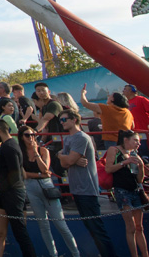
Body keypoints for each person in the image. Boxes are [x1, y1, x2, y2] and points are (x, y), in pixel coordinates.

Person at [58, 110, 116, 257]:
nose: (62, 123)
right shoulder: (69, 139)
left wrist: (65, 157)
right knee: (91, 228)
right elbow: (64, 163)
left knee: (97, 229)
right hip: (77, 188)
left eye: (64, 119)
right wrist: (63, 156)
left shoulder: (81, 137)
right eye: (60, 120)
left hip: (86, 189)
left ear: (74, 120)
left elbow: (69, 161)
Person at [19, 126, 78, 257]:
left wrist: (36, 152)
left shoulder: (43, 150)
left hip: (46, 187)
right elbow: (24, 175)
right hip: (31, 188)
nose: (31, 138)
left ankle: (76, 254)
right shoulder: (20, 153)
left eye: (33, 134)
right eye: (27, 135)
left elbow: (45, 169)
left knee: (61, 224)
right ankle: (53, 254)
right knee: (43, 225)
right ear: (21, 137)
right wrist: (40, 175)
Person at [0, 119, 36, 257]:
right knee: (12, 232)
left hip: (13, 194)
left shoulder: (9, 147)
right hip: (7, 194)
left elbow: (15, 173)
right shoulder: (7, 146)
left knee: (20, 232)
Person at [104, 130, 148, 257]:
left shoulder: (134, 154)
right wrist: (125, 162)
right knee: (131, 227)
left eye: (139, 142)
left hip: (135, 190)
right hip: (122, 190)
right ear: (126, 140)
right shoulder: (114, 150)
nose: (138, 144)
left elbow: (140, 179)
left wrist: (141, 166)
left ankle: (145, 254)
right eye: (135, 141)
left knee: (139, 227)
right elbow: (108, 168)